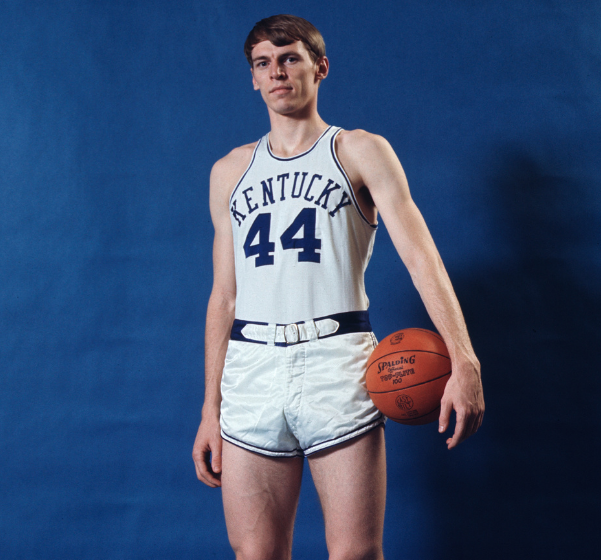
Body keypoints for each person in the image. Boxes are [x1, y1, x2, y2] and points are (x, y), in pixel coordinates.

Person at [192, 14, 484, 560]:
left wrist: (464, 360)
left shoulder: (359, 151)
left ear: (320, 67)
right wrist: (210, 407)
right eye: (263, 63)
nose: (276, 72)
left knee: (354, 554)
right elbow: (223, 297)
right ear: (253, 78)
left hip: (336, 360)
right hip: (251, 368)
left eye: (289, 58)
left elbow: (421, 257)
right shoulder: (229, 171)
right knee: (255, 554)